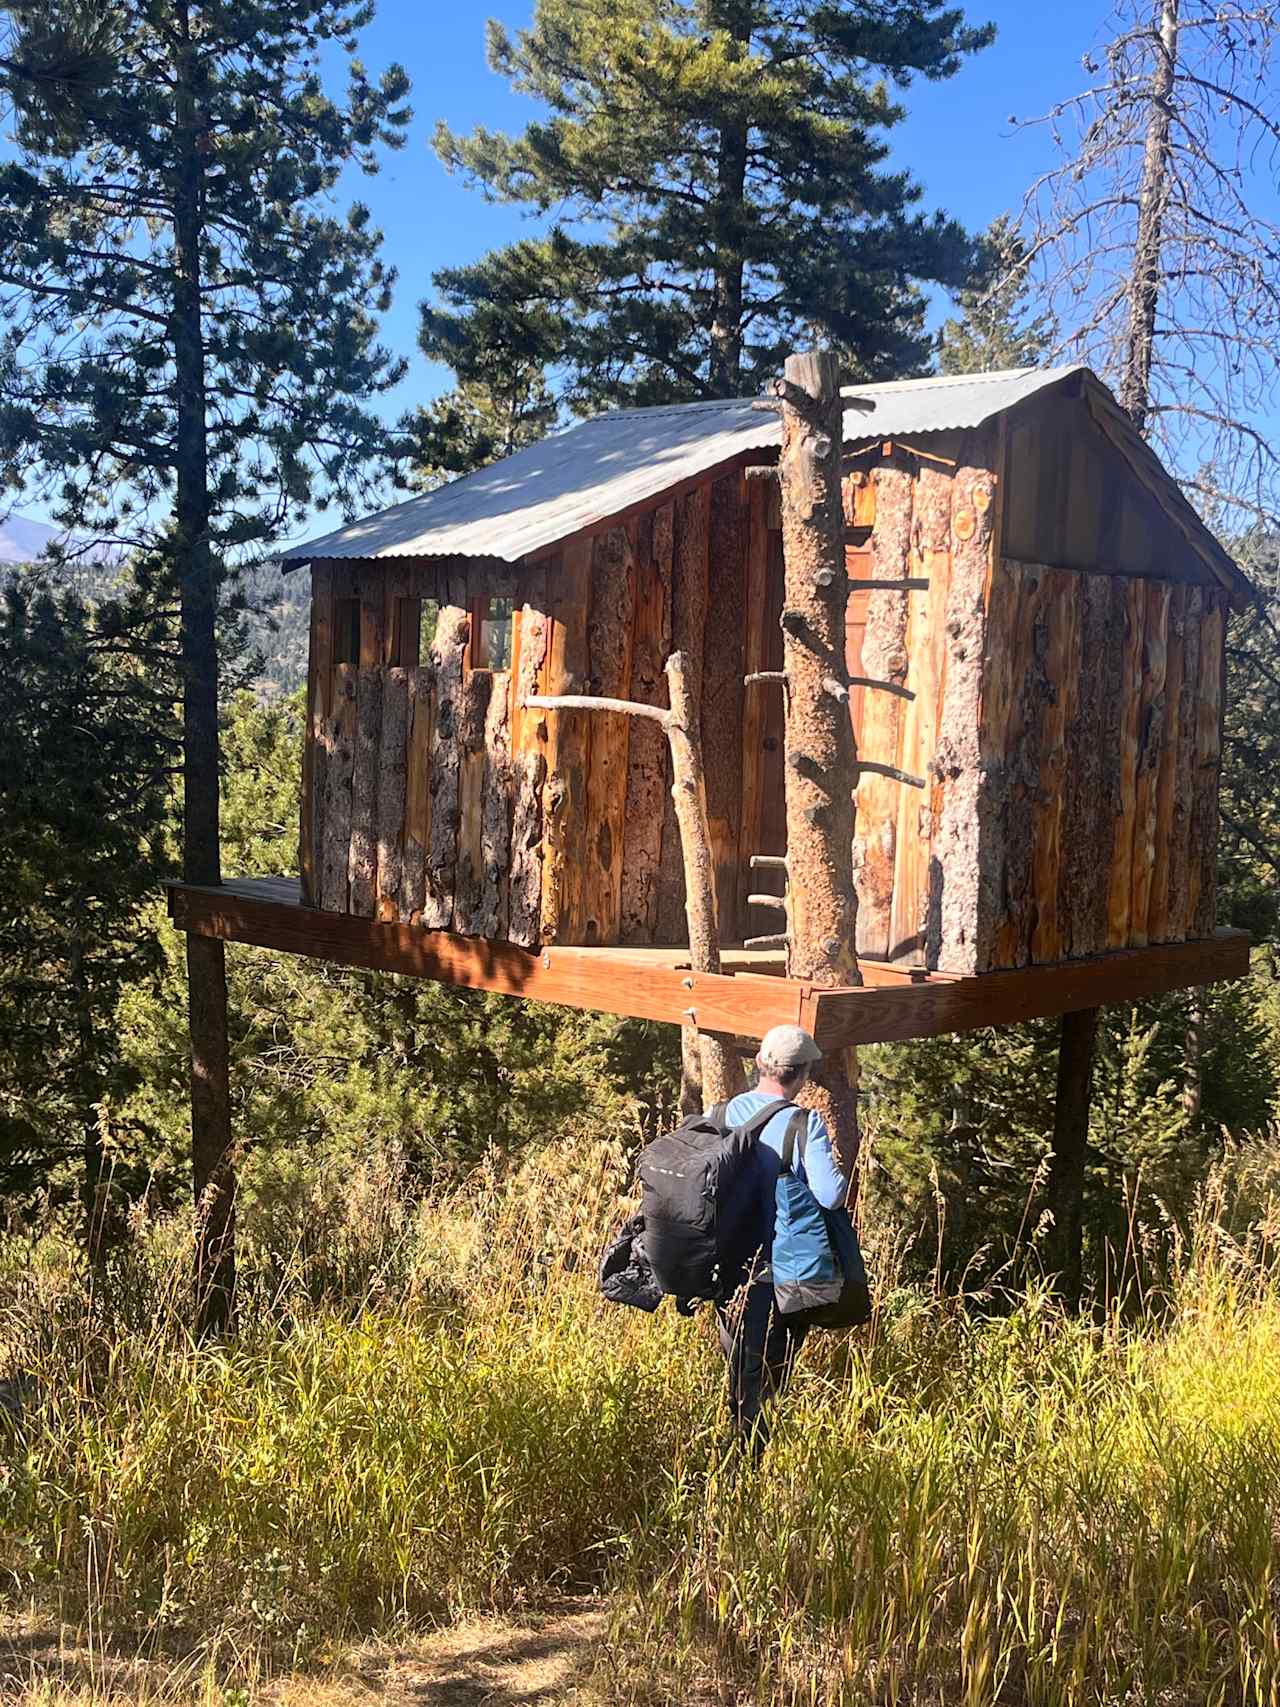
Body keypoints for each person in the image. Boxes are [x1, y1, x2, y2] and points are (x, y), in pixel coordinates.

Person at [715, 1023, 850, 1455]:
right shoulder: (802, 1124)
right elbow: (830, 1195)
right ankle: (754, 1453)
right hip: (781, 1268)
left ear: (760, 1063)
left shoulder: (722, 1113)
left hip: (728, 1260)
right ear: (804, 1076)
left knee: (739, 1362)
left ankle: (741, 1446)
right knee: (771, 1367)